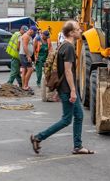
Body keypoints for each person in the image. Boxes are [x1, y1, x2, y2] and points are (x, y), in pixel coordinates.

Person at [30, 20, 94, 155]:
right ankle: (38, 137)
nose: (80, 31)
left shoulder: (62, 45)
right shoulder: (69, 48)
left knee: (78, 116)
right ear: (71, 33)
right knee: (67, 119)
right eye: (78, 29)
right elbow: (67, 71)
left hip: (63, 88)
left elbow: (58, 70)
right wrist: (72, 91)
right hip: (67, 89)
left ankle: (77, 146)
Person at [19, 26, 37, 91]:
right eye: (34, 32)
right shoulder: (26, 36)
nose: (34, 33)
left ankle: (24, 86)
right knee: (30, 69)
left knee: (24, 71)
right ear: (31, 30)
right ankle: (25, 85)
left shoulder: (29, 36)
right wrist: (28, 56)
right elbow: (24, 46)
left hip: (24, 54)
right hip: (24, 55)